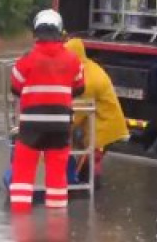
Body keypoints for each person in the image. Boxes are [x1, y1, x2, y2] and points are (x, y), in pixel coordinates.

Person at [9, 9, 85, 213]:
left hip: (31, 125)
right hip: (60, 125)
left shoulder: (27, 59)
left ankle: (20, 223)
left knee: (23, 174)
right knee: (57, 174)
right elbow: (79, 88)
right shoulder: (72, 59)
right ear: (59, 32)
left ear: (36, 32)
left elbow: (15, 87)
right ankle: (57, 225)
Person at [65, 38, 129, 185]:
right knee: (87, 160)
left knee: (90, 162)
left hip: (103, 126)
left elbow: (78, 112)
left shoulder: (88, 80)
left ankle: (91, 194)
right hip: (102, 122)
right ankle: (90, 191)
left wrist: (62, 127)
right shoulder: (87, 67)